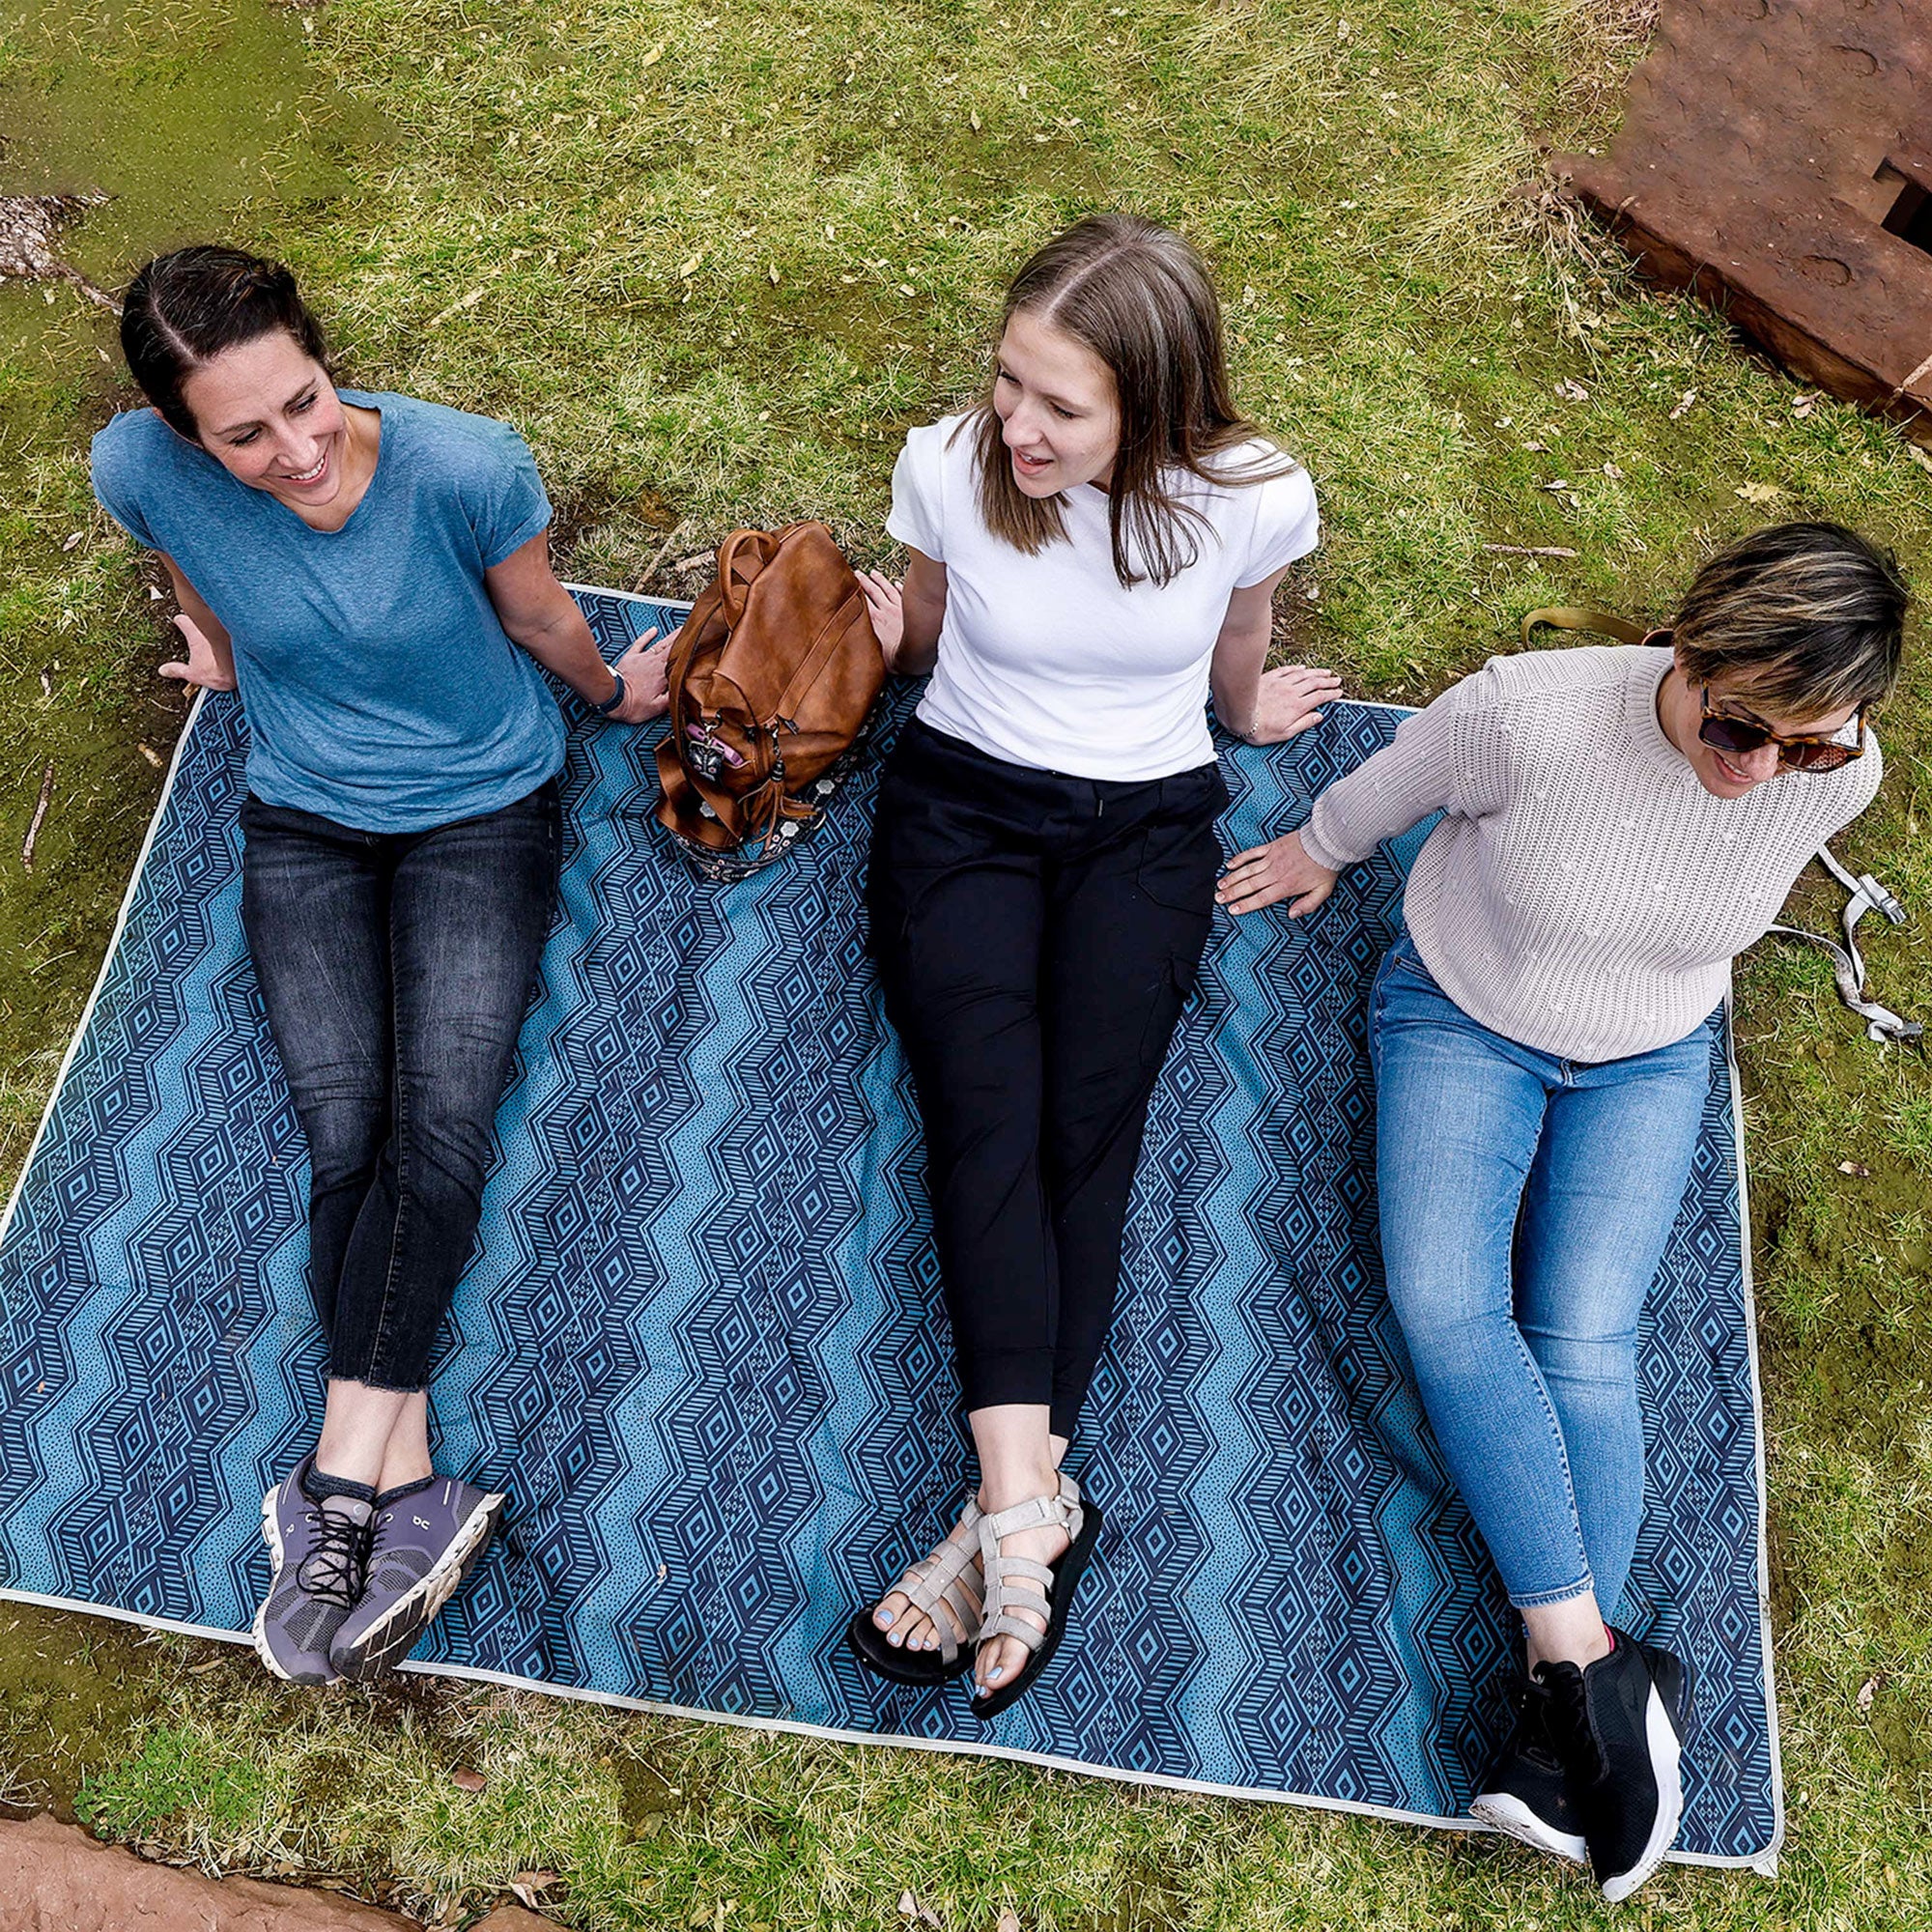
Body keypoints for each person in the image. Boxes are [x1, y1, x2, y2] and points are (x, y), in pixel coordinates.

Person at [1218, 523, 1907, 1898]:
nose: (1763, 771)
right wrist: (1318, 847)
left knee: (1585, 1333)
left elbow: (1759, 821)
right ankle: (1595, 1666)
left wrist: (1809, 762)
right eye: (1741, 726)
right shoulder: (1528, 715)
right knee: (1443, 1305)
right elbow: (1392, 781)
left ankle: (1568, 1706)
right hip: (1464, 1012)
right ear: (1690, 647)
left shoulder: (1839, 775)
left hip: (1652, 1048)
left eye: (1811, 746)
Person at [91, 245, 672, 1686]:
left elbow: (540, 616)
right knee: (344, 1129)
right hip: (303, 816)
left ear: (320, 352)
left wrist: (608, 692)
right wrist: (221, 650)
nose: (292, 451)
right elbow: (186, 555)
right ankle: (403, 1479)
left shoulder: (462, 468)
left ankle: (340, 1485)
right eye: (244, 435)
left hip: (485, 806)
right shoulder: (138, 470)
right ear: (180, 434)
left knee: (443, 1119)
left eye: (305, 401)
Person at [849, 213, 1334, 1717]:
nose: (1018, 425)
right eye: (1010, 383)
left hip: (1147, 825)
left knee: (1089, 1129)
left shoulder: (1250, 497)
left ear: (1158, 405)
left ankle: (1003, 1518)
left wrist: (1249, 719)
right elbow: (928, 640)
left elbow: (1236, 641)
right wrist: (892, 636)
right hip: (962, 811)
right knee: (986, 1113)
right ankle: (1024, 1507)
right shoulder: (945, 467)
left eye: (1063, 405)